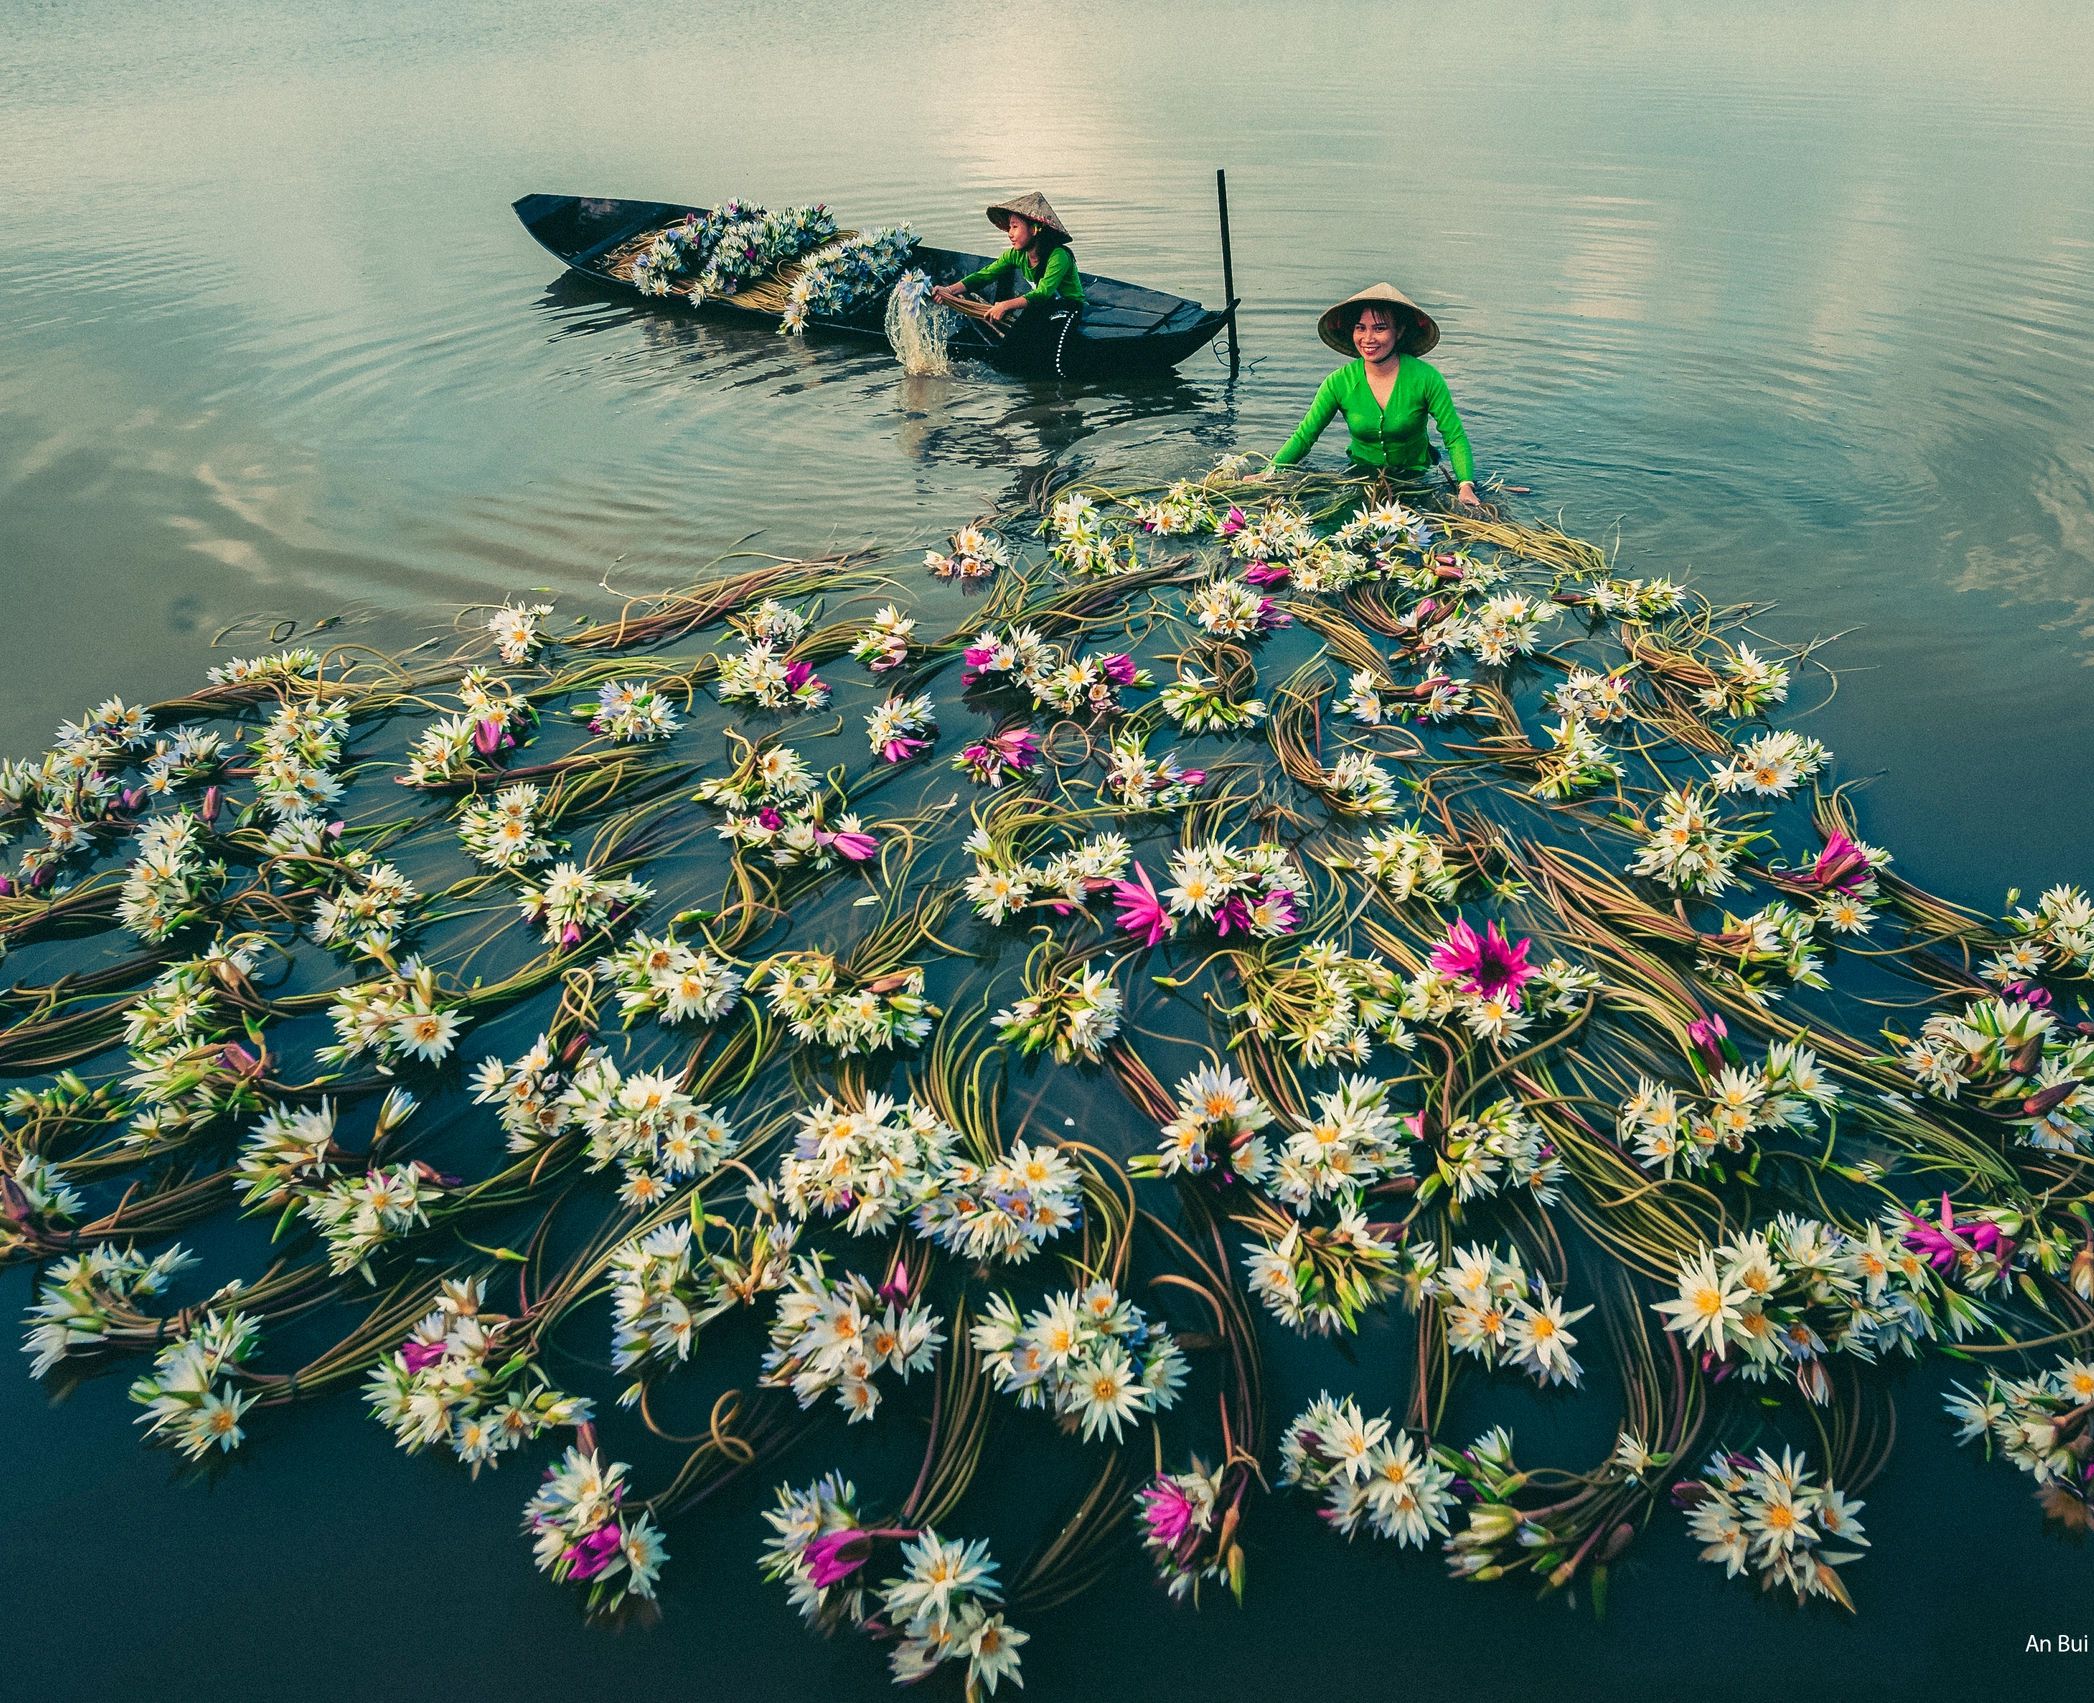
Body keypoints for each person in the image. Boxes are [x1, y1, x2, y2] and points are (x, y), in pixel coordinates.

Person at [1273, 283, 1480, 506]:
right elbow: (1305, 436)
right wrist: (1269, 472)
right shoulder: (1339, 382)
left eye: (1379, 328)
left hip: (1416, 479)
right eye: (1360, 328)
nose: (1368, 338)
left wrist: (1465, 485)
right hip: (1361, 477)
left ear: (1398, 332)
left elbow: (1454, 436)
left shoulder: (1426, 378)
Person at [931, 193, 1085, 364]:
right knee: (1010, 350)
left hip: (1068, 306)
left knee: (1051, 355)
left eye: (1015, 227)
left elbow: (1043, 292)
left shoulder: (1059, 255)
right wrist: (949, 290)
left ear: (1034, 229)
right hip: (1041, 307)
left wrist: (1005, 305)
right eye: (1009, 228)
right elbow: (984, 276)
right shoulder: (1016, 255)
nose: (1010, 234)